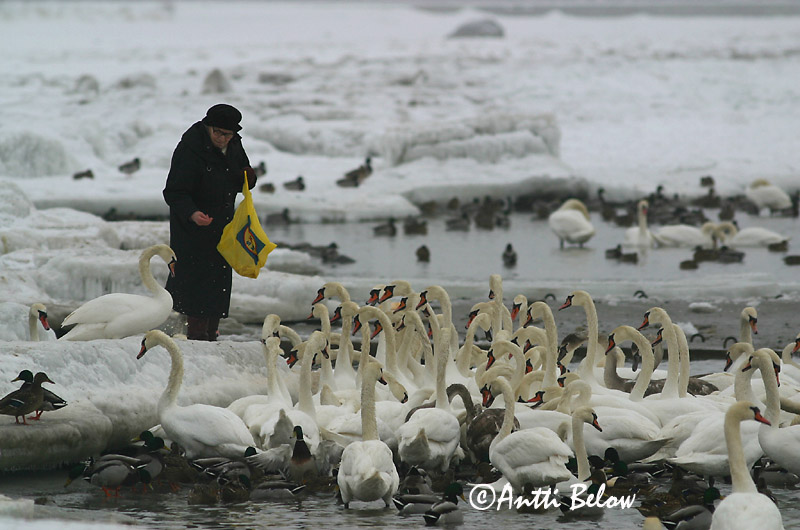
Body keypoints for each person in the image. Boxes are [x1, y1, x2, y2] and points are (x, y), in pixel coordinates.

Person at [163, 103, 257, 341]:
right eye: (218, 133)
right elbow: (174, 192)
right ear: (208, 126)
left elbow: (239, 178)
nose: (222, 139)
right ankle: (195, 338)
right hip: (192, 229)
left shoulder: (234, 144)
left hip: (223, 226)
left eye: (228, 134)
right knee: (195, 286)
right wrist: (193, 213)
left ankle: (211, 335)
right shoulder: (190, 148)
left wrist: (248, 177)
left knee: (218, 282)